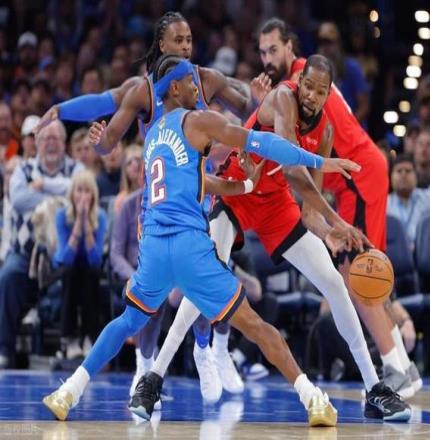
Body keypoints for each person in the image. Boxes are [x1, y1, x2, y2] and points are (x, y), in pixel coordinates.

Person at [42, 54, 368, 427]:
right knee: (255, 325)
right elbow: (260, 141)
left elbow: (198, 182)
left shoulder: (153, 137)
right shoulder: (198, 120)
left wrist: (246, 186)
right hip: (188, 246)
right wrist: (320, 162)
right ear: (174, 88)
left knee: (127, 321)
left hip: (154, 246)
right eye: (190, 82)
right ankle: (313, 398)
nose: (198, 88)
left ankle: (68, 391)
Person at [132, 54, 411, 421]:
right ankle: (153, 379)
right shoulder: (282, 98)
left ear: (329, 94)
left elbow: (309, 212)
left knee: (334, 283)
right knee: (201, 285)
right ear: (299, 82)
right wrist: (339, 220)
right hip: (237, 190)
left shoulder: (326, 131)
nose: (311, 95)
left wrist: (330, 232)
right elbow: (293, 167)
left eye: (320, 91)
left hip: (276, 205)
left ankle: (374, 388)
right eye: (307, 86)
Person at [36, 11, 271, 398]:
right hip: (158, 208)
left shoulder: (204, 79)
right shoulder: (143, 89)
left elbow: (250, 110)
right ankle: (144, 367)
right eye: (178, 40)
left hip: (201, 197)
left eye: (189, 40)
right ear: (161, 45)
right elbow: (104, 113)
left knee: (208, 285)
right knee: (152, 303)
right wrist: (64, 112)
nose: (186, 47)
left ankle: (205, 350)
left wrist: (260, 104)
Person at [257, 17, 420, 397]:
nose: (267, 59)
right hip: (357, 176)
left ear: (290, 47)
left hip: (357, 177)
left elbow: (289, 154)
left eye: (273, 50)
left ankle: (394, 367)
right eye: (262, 52)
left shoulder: (301, 83)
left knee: (357, 272)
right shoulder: (299, 82)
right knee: (366, 275)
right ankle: (404, 365)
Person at [0, 120, 83, 368]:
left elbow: (80, 191)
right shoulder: (23, 169)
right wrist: (60, 196)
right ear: (37, 143)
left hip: (65, 254)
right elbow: (19, 199)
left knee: (80, 274)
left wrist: (43, 187)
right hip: (26, 253)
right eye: (45, 138)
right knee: (7, 276)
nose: (50, 143)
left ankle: (71, 347)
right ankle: (4, 349)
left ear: (64, 143)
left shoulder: (76, 167)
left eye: (55, 138)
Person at [53, 170, 107, 359]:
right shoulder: (61, 215)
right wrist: (78, 224)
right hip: (66, 269)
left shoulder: (100, 217)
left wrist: (87, 225)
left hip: (89, 271)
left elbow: (96, 260)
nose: (83, 196)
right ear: (72, 193)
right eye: (79, 190)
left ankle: (89, 337)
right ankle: (69, 339)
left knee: (91, 273)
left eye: (87, 191)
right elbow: (65, 258)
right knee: (71, 272)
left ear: (93, 195)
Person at [387, 154, 430, 248]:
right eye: (399, 171)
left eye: (408, 171)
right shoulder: (385, 204)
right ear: (391, 177)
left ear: (416, 176)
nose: (403, 175)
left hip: (427, 252)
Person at [113, 145, 143, 214]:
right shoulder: (121, 200)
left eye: (138, 160)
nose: (135, 164)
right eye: (129, 163)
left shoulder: (153, 192)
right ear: (125, 171)